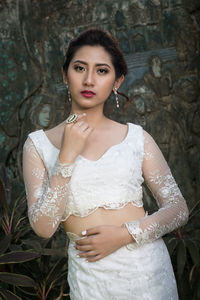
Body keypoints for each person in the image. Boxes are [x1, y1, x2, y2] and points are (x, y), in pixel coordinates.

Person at [23, 28, 189, 299]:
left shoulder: (136, 138)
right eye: (79, 68)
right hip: (91, 280)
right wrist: (67, 155)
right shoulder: (38, 145)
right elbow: (43, 227)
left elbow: (178, 209)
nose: (89, 80)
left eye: (101, 71)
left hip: (148, 272)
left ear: (117, 81)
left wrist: (124, 234)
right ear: (65, 74)